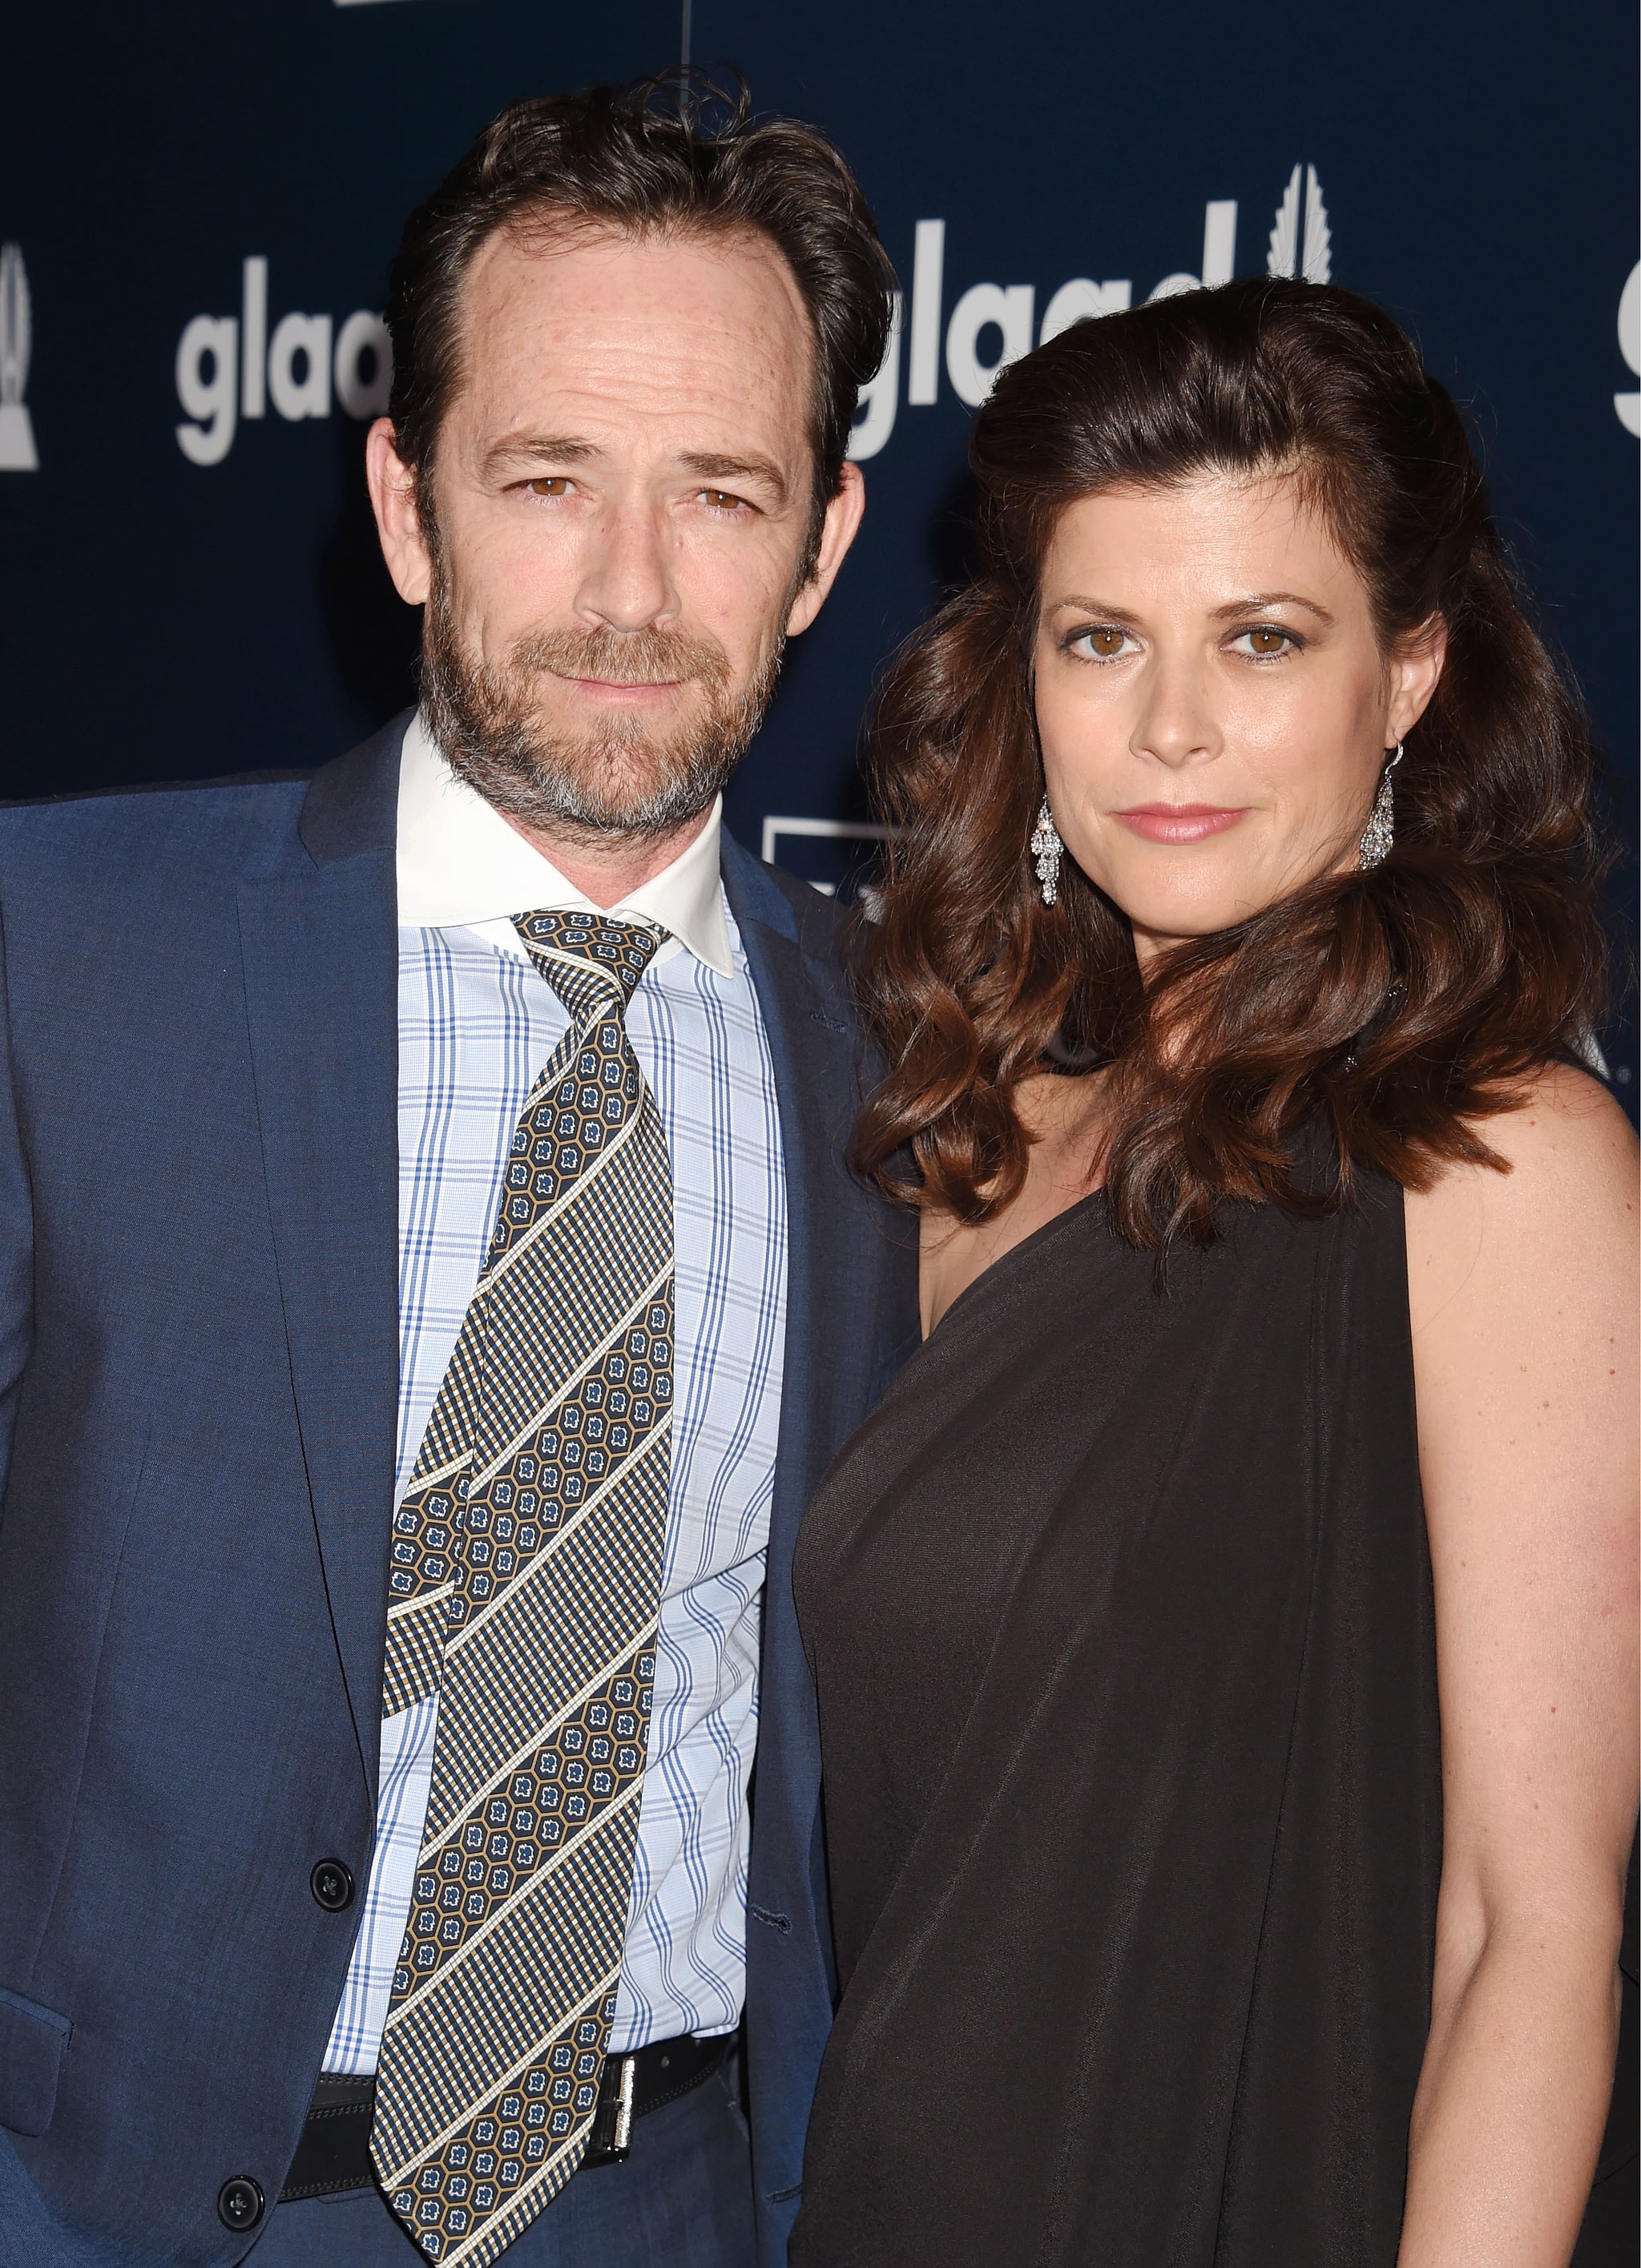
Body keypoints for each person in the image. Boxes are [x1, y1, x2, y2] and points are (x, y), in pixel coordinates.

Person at [0, 73, 916, 2268]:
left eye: (719, 493)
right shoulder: (61, 950)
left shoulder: (915, 1058)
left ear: (826, 540)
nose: (628, 589)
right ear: (407, 507)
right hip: (103, 2200)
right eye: (545, 481)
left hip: (679, 2199)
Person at [792, 278, 1639, 2267]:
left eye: (1262, 640)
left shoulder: (1496, 1153)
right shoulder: (955, 1116)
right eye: (1102, 640)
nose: (1169, 727)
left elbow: (1534, 1931)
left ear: (1409, 670)